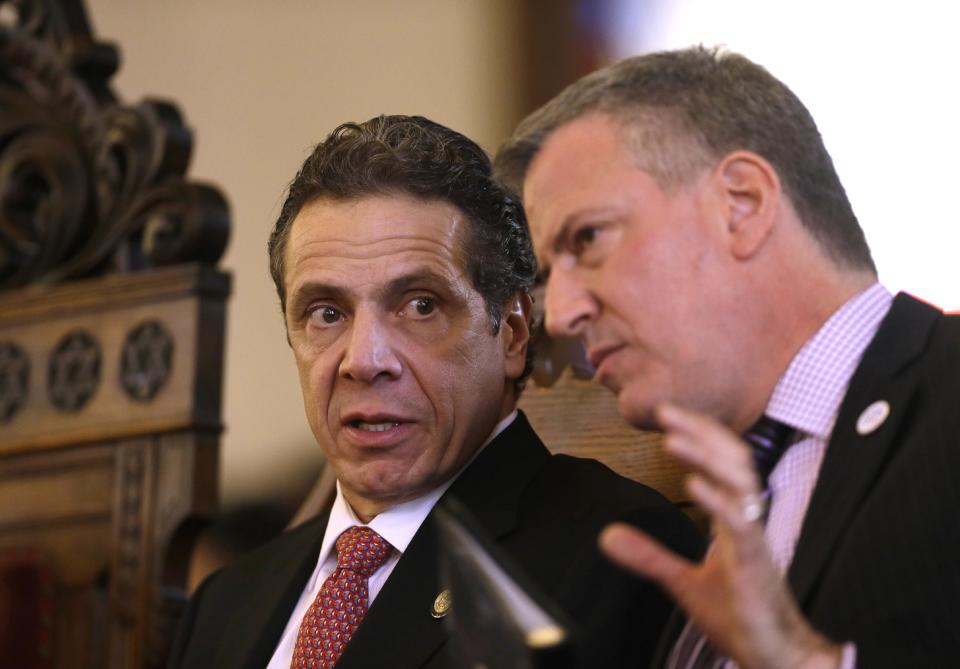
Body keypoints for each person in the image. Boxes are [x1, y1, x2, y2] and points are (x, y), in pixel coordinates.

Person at [167, 115, 701, 669]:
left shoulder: (613, 557)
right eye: (326, 314)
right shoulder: (223, 605)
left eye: (420, 305)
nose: (364, 360)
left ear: (514, 332)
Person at [495, 46, 960, 668]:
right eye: (553, 272)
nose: (564, 312)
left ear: (741, 203)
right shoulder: (720, 498)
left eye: (589, 239)